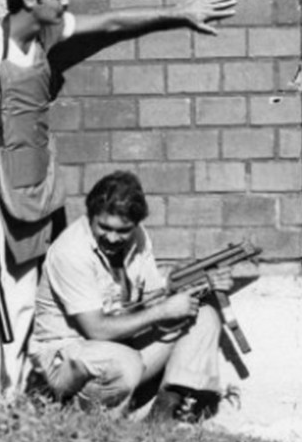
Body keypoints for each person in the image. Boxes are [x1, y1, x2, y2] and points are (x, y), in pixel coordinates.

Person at [0, 0, 237, 393]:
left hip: (28, 182)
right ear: (30, 0)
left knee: (23, 291)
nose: (66, 3)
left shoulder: (44, 34)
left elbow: (113, 23)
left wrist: (178, 13)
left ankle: (9, 396)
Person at [28, 171, 231, 421]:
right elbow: (97, 330)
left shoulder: (139, 237)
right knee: (124, 362)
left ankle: (166, 415)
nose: (112, 238)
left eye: (122, 230)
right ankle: (83, 419)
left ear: (135, 224)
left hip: (120, 350)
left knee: (203, 315)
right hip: (67, 361)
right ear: (91, 215)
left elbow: (153, 297)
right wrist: (164, 311)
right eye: (104, 227)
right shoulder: (71, 251)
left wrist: (189, 281)